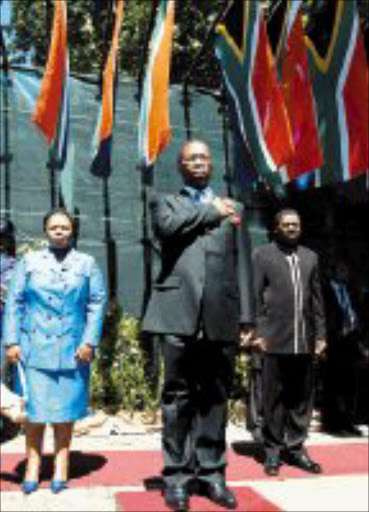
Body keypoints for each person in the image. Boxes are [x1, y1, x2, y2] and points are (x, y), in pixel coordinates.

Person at [142, 140, 254, 511]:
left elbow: (242, 264)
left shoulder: (233, 208)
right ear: (181, 165)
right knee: (177, 398)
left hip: (220, 316)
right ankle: (176, 478)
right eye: (191, 157)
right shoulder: (166, 202)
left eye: (204, 157)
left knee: (215, 397)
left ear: (212, 162)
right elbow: (168, 230)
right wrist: (210, 211)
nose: (198, 162)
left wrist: (247, 317)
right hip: (177, 313)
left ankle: (212, 475)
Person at [3, 208, 106, 494]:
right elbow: (14, 302)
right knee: (34, 413)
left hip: (74, 350)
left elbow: (96, 303)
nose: (59, 231)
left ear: (73, 230)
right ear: (45, 230)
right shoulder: (30, 261)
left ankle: (61, 465)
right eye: (54, 227)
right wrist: (11, 341)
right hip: (34, 348)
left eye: (65, 227)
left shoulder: (87, 263)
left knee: (65, 413)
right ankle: (33, 466)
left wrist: (89, 342)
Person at [251, 209, 326, 476]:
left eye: (296, 224)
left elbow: (317, 300)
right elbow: (255, 296)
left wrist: (320, 336)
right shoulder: (262, 255)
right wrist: (258, 332)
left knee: (302, 399)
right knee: (273, 399)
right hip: (273, 340)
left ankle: (295, 448)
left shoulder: (311, 257)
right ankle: (272, 451)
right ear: (276, 228)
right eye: (287, 225)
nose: (292, 228)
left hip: (304, 341)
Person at [320, 259, 365, 436]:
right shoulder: (326, 289)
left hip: (351, 342)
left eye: (346, 270)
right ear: (333, 270)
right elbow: (322, 315)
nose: (344, 273)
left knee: (350, 385)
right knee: (333, 384)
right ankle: (333, 423)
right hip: (334, 341)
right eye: (341, 269)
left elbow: (355, 312)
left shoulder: (350, 290)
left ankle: (348, 421)